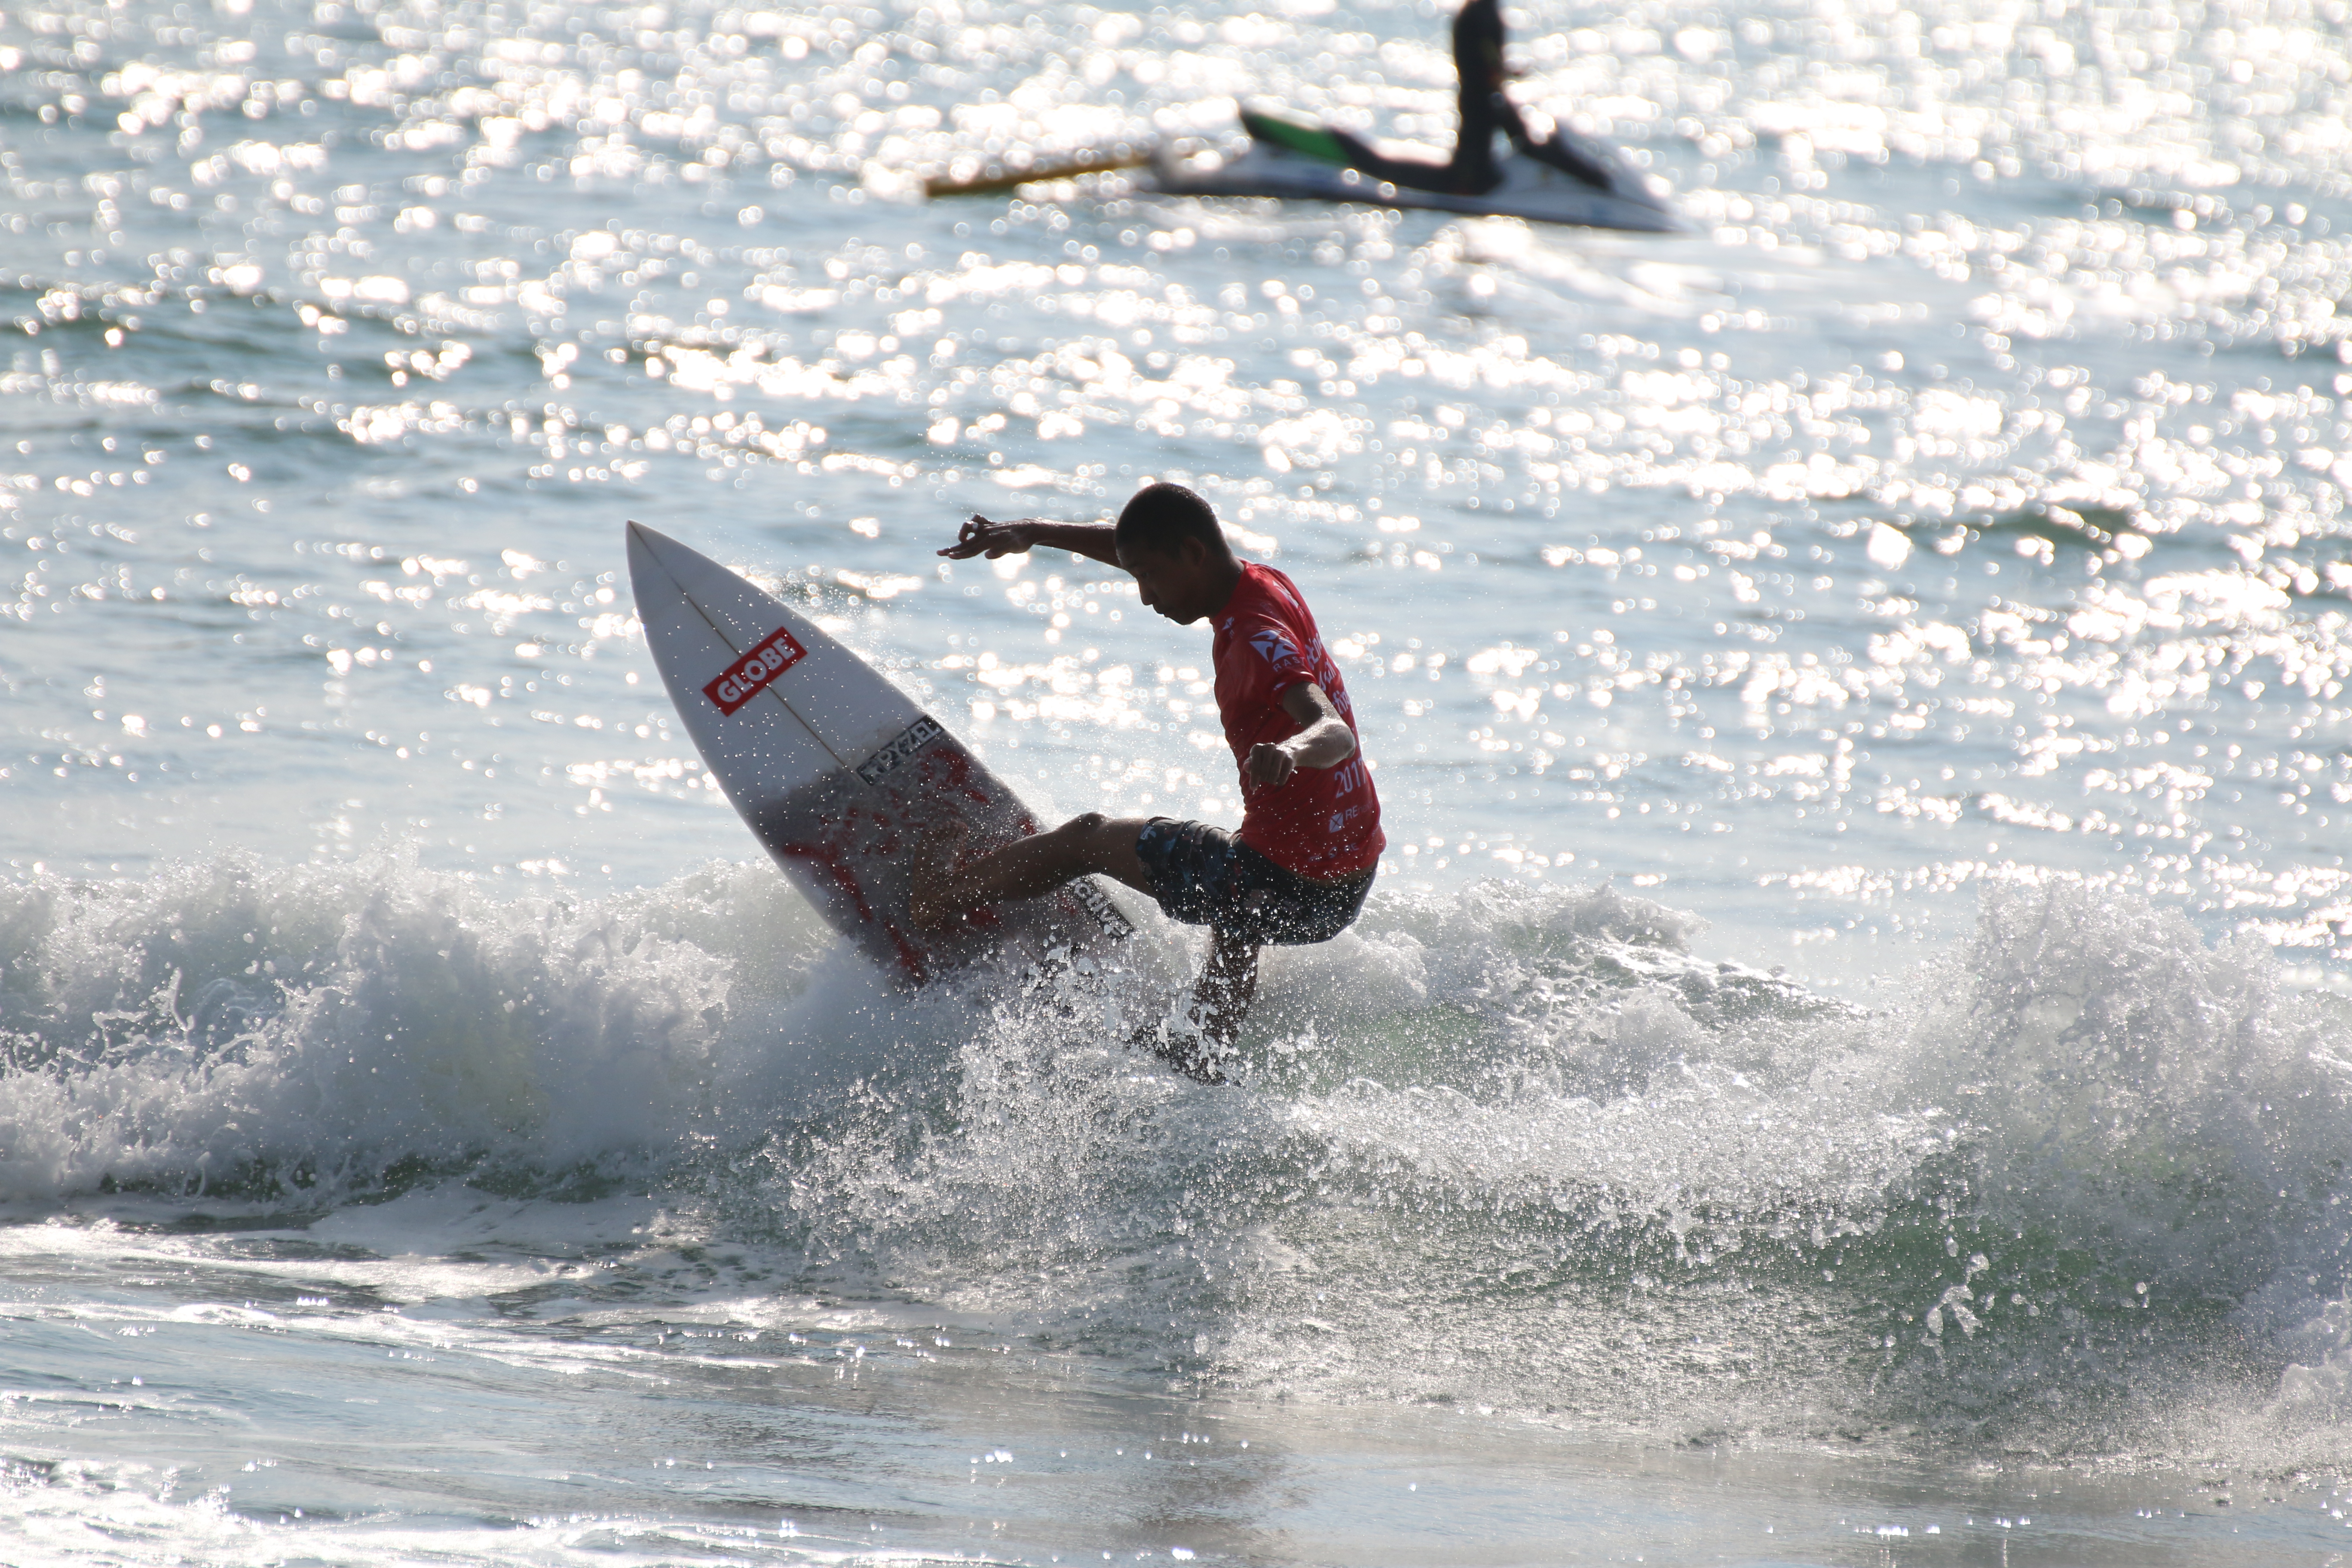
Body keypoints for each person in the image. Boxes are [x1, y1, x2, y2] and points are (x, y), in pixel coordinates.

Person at [915, 483, 1384, 1083]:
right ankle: (1206, 1044)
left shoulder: (1257, 640)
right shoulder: (1261, 582)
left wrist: (1292, 751)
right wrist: (1034, 532)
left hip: (1285, 882)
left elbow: (1333, 730)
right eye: (1136, 575)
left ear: (1193, 554)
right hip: (1344, 882)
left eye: (1151, 577)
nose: (1144, 596)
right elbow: (1132, 546)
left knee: (1087, 839)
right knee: (1241, 902)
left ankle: (937, 901)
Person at [1329, 0, 1610, 196]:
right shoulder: (1480, 15)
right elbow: (1483, 68)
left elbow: (1485, 66)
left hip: (1482, 109)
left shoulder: (1480, 12)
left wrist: (1503, 73)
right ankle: (1464, 188)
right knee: (1472, 179)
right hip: (1477, 122)